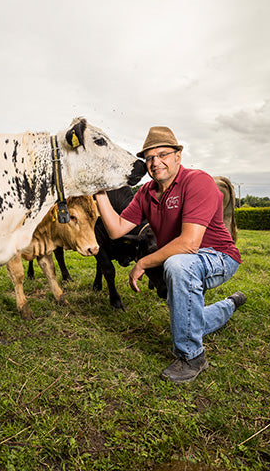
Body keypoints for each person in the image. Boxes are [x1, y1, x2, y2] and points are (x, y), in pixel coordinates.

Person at [95, 126, 246, 383]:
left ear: (178, 155)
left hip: (218, 256)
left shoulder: (197, 181)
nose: (156, 162)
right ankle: (230, 304)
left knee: (176, 265)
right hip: (187, 260)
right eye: (150, 158)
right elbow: (116, 229)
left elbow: (188, 243)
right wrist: (98, 192)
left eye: (163, 154)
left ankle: (192, 356)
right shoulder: (146, 193)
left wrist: (141, 262)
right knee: (186, 318)